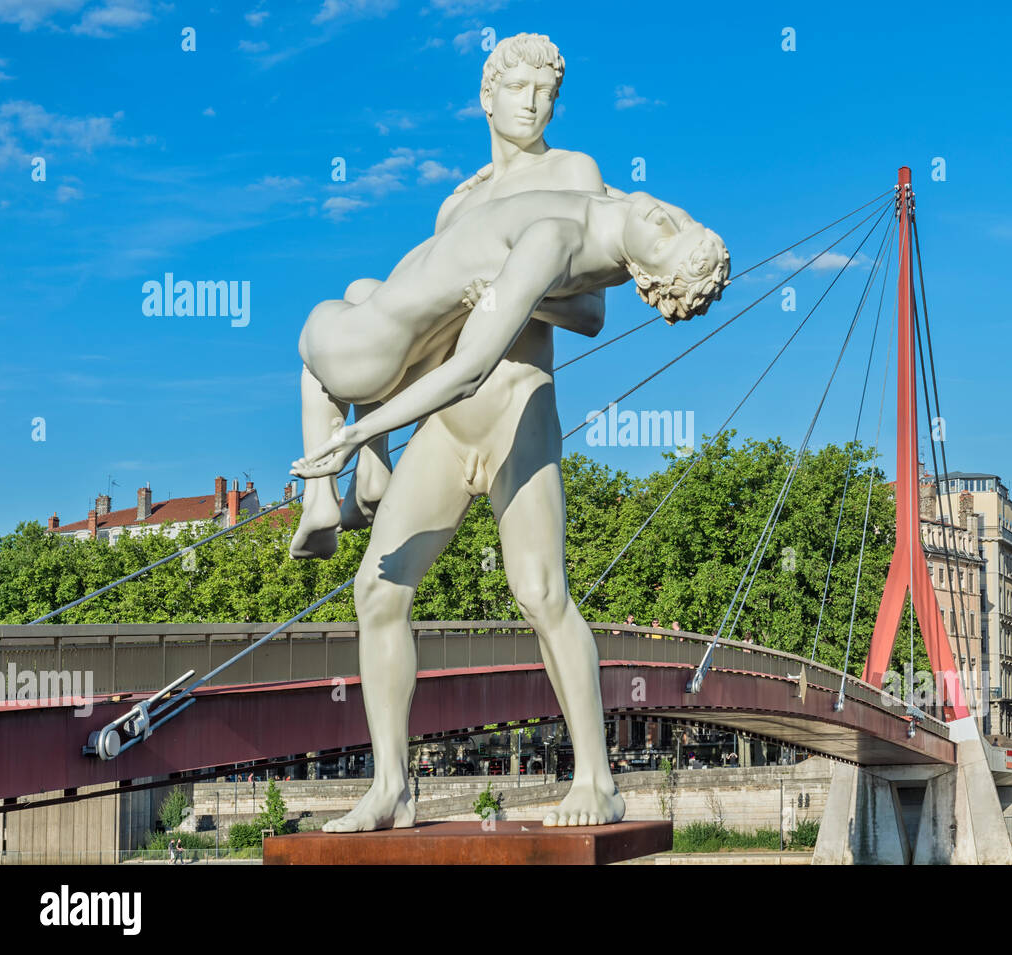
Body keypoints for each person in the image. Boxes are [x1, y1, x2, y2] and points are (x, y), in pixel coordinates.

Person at [308, 34, 728, 833]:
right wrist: (370, 424)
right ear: (487, 99)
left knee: (540, 592)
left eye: (547, 92)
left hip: (516, 405)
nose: (535, 105)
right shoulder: (454, 204)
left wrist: (513, 299)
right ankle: (392, 784)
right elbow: (425, 334)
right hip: (445, 418)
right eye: (521, 90)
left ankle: (597, 779)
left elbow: (593, 309)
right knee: (377, 590)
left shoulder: (574, 174)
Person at [289, 185, 729, 555]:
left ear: (643, 273)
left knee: (316, 336)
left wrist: (353, 435)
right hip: (406, 348)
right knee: (360, 288)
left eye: (663, 243)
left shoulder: (553, 244)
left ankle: (319, 498)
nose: (666, 221)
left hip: (369, 353)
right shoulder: (628, 211)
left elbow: (471, 371)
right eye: (684, 223)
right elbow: (590, 316)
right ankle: (370, 474)